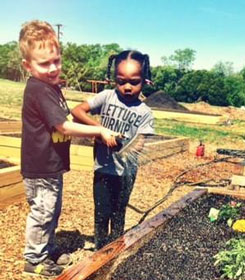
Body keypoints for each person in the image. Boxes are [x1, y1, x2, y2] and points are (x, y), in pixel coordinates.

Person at [19, 20, 119, 277]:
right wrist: (98, 130)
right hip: (41, 166)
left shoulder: (51, 87)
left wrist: (91, 130)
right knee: (42, 212)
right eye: (44, 63)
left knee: (51, 210)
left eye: (56, 60)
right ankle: (34, 259)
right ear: (27, 66)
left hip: (51, 165)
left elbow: (64, 122)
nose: (53, 68)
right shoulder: (39, 89)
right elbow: (64, 126)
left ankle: (48, 249)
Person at [71, 50, 155, 250]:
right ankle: (99, 252)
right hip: (102, 169)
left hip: (125, 174)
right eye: (121, 81)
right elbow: (76, 111)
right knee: (101, 214)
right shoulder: (107, 97)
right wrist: (100, 131)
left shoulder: (145, 113)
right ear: (113, 80)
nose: (126, 87)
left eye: (133, 82)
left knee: (118, 215)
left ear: (145, 81)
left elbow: (140, 144)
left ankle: (114, 251)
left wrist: (120, 144)